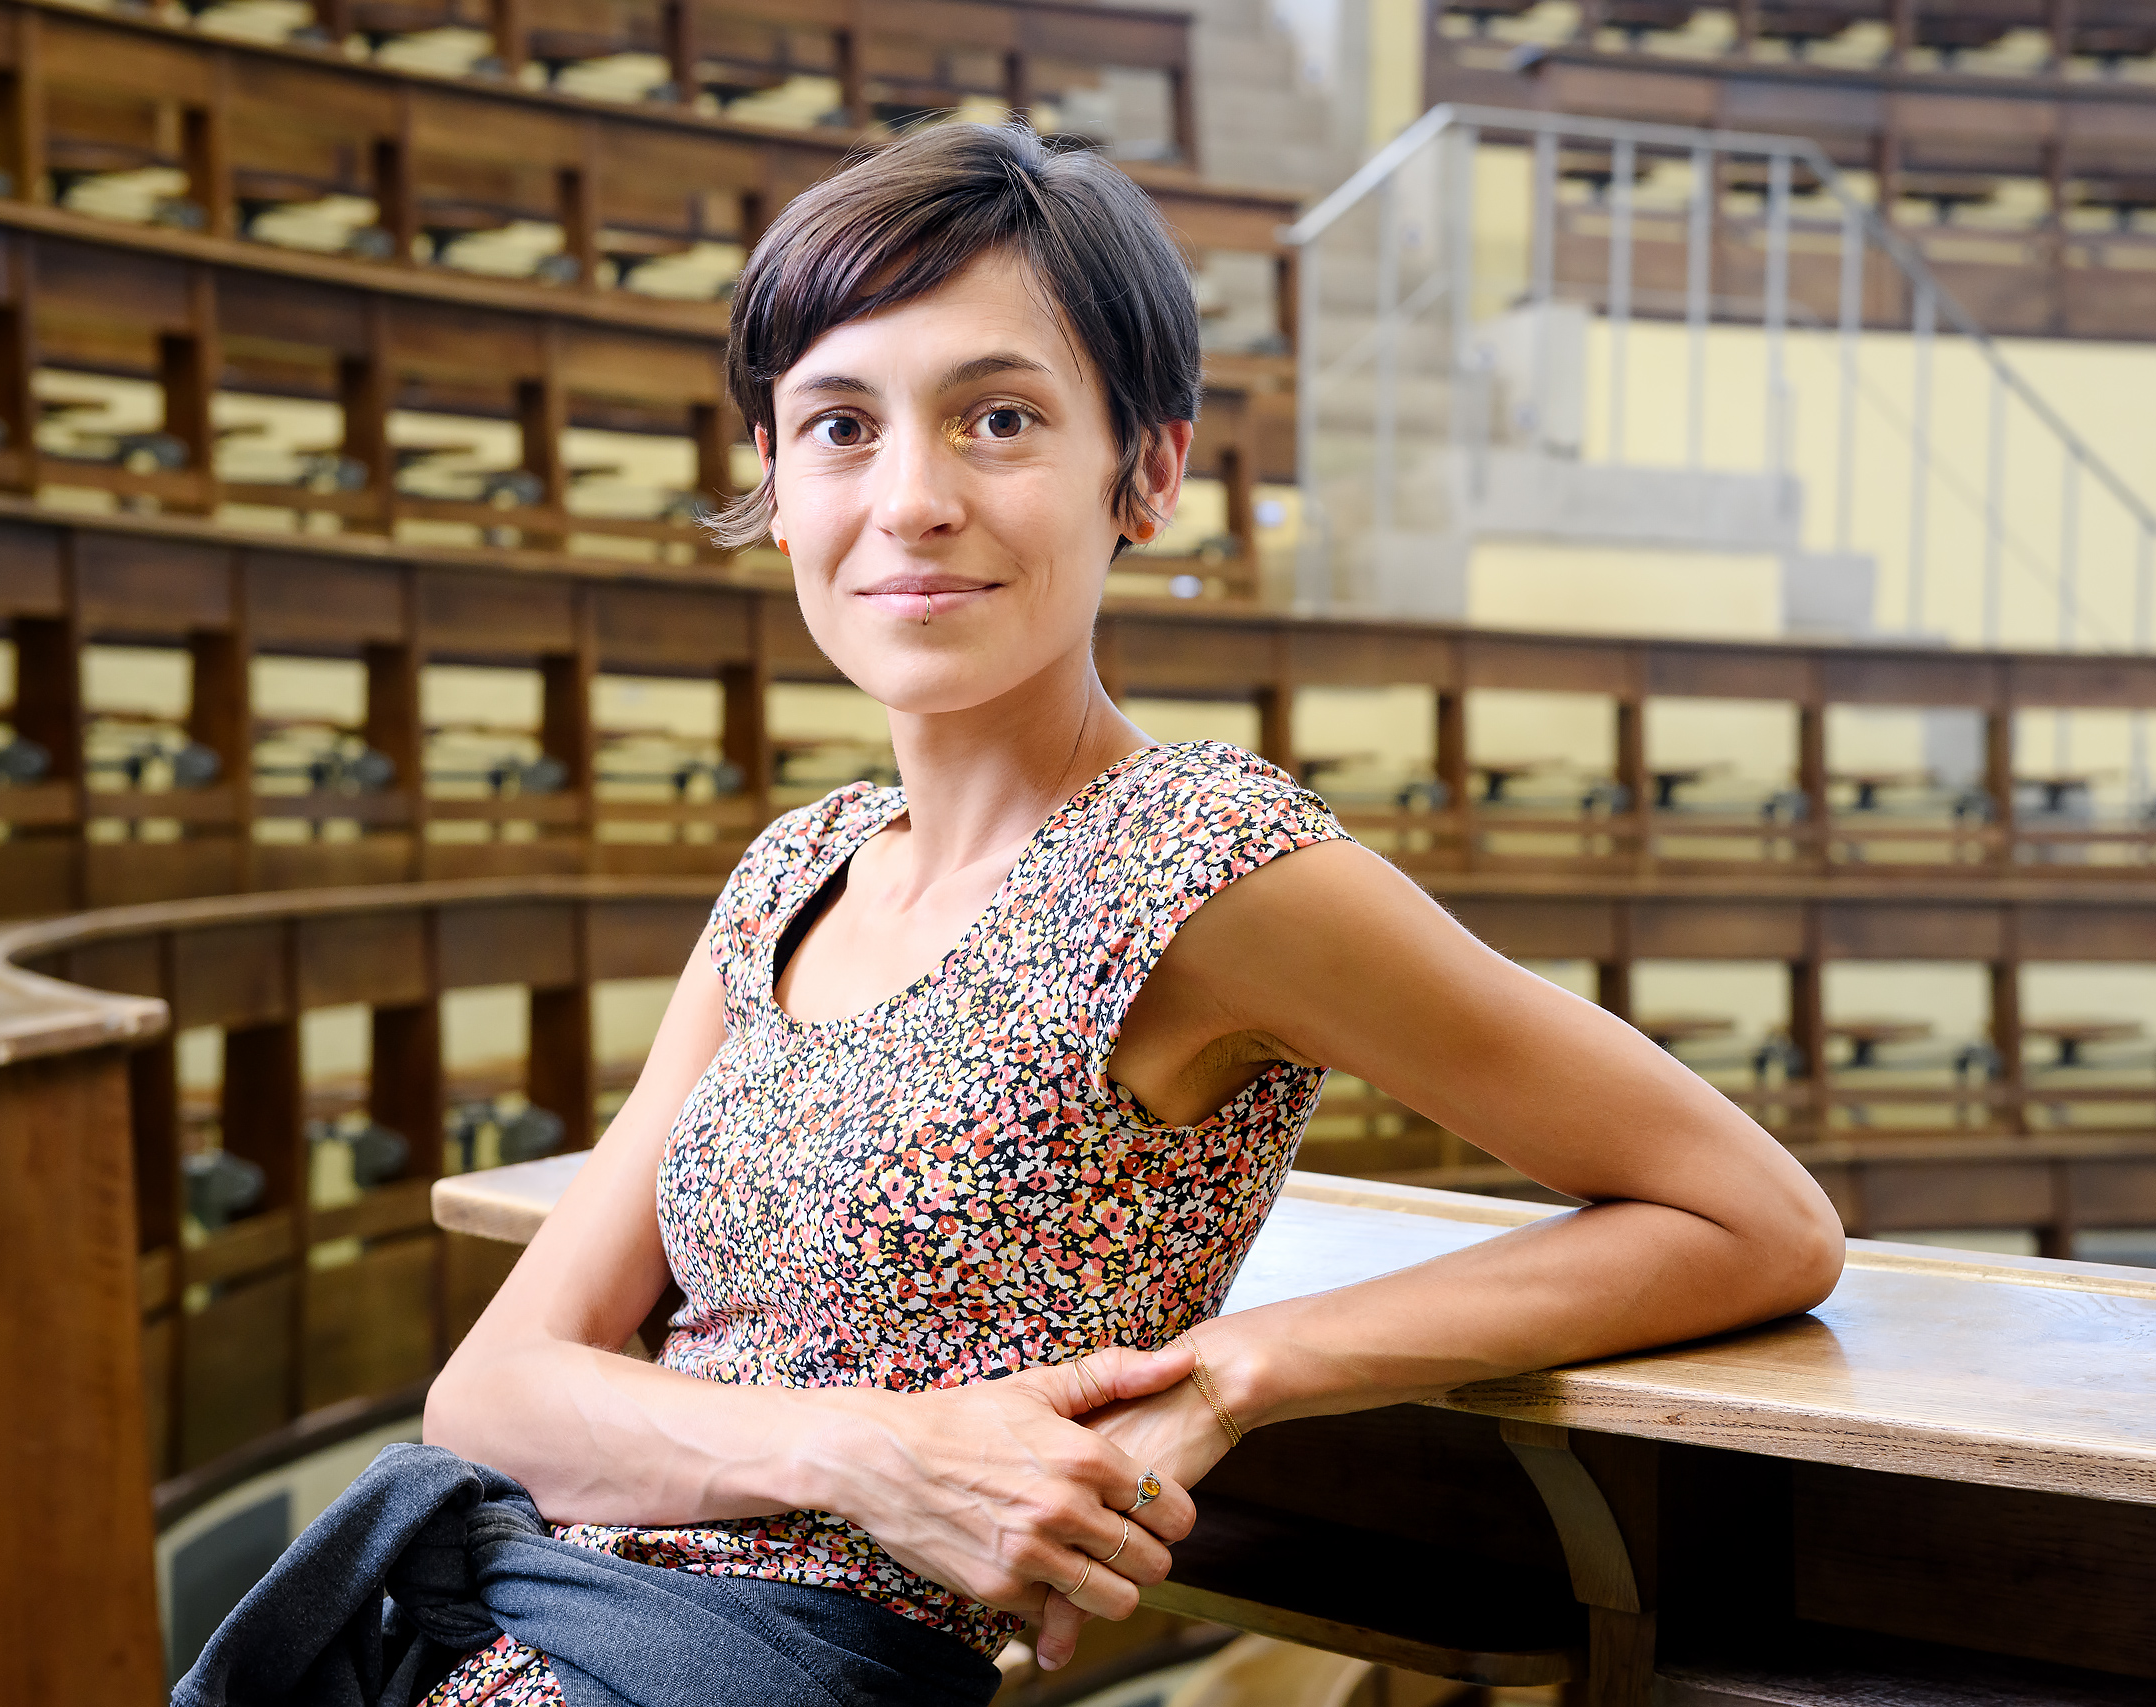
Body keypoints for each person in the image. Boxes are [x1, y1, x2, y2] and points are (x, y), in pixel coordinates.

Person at [419, 120, 1846, 1703]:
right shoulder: (791, 874)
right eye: (839, 426)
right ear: (776, 475)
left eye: (1000, 419)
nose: (911, 500)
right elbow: (489, 1397)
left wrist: (1236, 1372)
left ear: (1147, 473)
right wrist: (872, 1453)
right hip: (519, 1626)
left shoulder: (1200, 864)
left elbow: (1752, 1219)